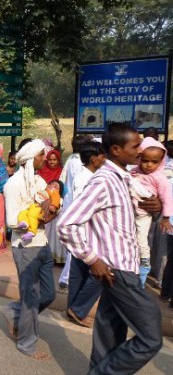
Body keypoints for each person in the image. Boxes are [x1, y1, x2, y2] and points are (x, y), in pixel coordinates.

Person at [58, 123, 163, 374]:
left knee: (109, 335)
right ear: (116, 149)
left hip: (122, 268)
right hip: (118, 270)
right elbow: (67, 223)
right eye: (135, 146)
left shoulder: (124, 178)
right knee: (151, 337)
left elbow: (127, 217)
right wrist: (92, 258)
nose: (140, 151)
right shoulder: (103, 181)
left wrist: (154, 206)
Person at [4, 139, 56, 360]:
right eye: (41, 156)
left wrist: (49, 212)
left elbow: (51, 206)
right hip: (25, 247)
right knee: (31, 297)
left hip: (43, 244)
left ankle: (15, 313)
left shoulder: (39, 181)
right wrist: (35, 218)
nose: (44, 159)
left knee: (49, 294)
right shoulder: (13, 185)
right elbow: (11, 221)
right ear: (30, 159)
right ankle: (27, 344)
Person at [65, 141, 106, 328]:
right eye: (101, 156)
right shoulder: (87, 179)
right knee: (101, 272)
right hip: (86, 233)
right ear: (93, 158)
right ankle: (79, 308)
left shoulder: (87, 176)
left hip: (81, 232)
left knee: (79, 272)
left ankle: (73, 309)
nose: (104, 159)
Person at [130, 136, 173, 287]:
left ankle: (145, 264)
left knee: (142, 240)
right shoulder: (133, 172)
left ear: (161, 162)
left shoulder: (160, 178)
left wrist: (166, 217)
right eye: (145, 160)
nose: (149, 165)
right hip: (131, 213)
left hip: (143, 215)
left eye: (154, 162)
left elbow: (167, 198)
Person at [58, 134, 93, 286]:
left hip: (70, 204)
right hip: (75, 207)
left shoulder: (72, 160)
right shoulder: (78, 164)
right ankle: (66, 278)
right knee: (77, 244)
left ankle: (67, 277)